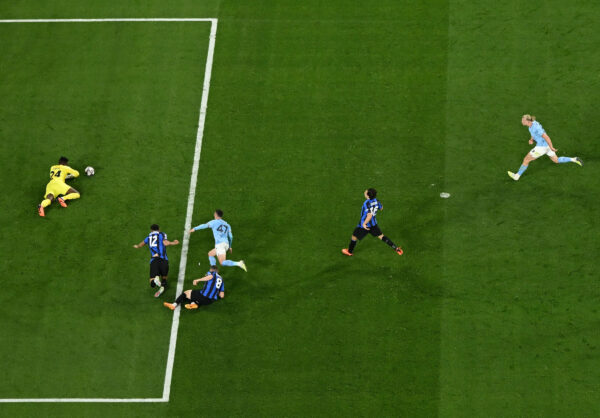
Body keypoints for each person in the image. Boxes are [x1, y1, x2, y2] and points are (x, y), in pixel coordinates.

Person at [508, 114, 582, 181]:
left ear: (528, 121)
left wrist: (552, 147)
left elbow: (546, 137)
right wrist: (531, 140)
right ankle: (574, 159)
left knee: (526, 160)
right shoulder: (531, 125)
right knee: (556, 160)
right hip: (546, 147)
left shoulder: (536, 127)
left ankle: (517, 176)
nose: (522, 121)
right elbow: (533, 134)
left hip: (542, 147)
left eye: (523, 120)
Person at [342, 188, 403, 257]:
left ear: (368, 196)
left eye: (366, 192)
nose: (365, 191)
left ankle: (349, 251)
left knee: (354, 236)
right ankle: (396, 248)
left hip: (364, 225)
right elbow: (381, 208)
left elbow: (369, 215)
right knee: (381, 236)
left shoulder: (366, 203)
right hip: (373, 224)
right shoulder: (376, 200)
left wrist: (364, 223)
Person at [133, 224, 179, 297]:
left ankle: (155, 280)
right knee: (164, 276)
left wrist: (137, 246)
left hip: (154, 260)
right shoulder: (162, 234)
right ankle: (162, 285)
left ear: (151, 230)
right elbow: (166, 243)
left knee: (152, 281)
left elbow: (141, 244)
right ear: (159, 229)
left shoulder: (148, 237)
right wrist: (174, 242)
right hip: (164, 259)